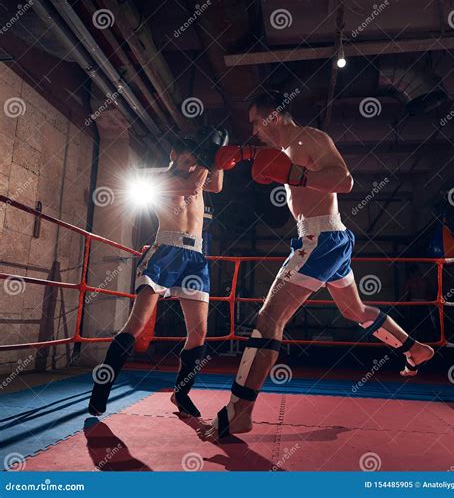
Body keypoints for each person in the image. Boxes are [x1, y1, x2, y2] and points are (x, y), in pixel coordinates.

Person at [198, 92, 434, 441]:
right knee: (354, 310)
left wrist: (298, 176)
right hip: (324, 238)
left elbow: (345, 181)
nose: (254, 129)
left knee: (269, 318)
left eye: (255, 122)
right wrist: (245, 154)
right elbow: (274, 163)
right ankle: (412, 348)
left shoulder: (310, 138)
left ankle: (239, 411)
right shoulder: (285, 150)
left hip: (321, 239)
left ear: (273, 117)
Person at [88, 127, 228, 418]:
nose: (191, 161)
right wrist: (205, 162)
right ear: (173, 155)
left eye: (195, 157)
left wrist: (219, 156)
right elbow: (191, 187)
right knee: (135, 325)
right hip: (165, 251)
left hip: (196, 256)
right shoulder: (163, 181)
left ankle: (181, 394)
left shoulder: (200, 179)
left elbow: (217, 186)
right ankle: (102, 387)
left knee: (199, 332)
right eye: (187, 155)